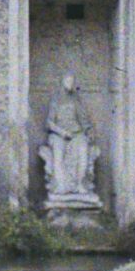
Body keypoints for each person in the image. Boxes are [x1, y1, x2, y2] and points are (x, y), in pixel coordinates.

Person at [40, 71, 98, 202]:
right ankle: (61, 185)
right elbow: (49, 123)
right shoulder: (56, 100)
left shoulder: (76, 100)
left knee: (83, 148)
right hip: (59, 134)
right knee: (58, 151)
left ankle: (80, 183)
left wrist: (89, 130)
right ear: (62, 82)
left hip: (76, 133)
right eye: (68, 81)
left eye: (72, 82)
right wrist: (62, 132)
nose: (70, 84)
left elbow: (83, 119)